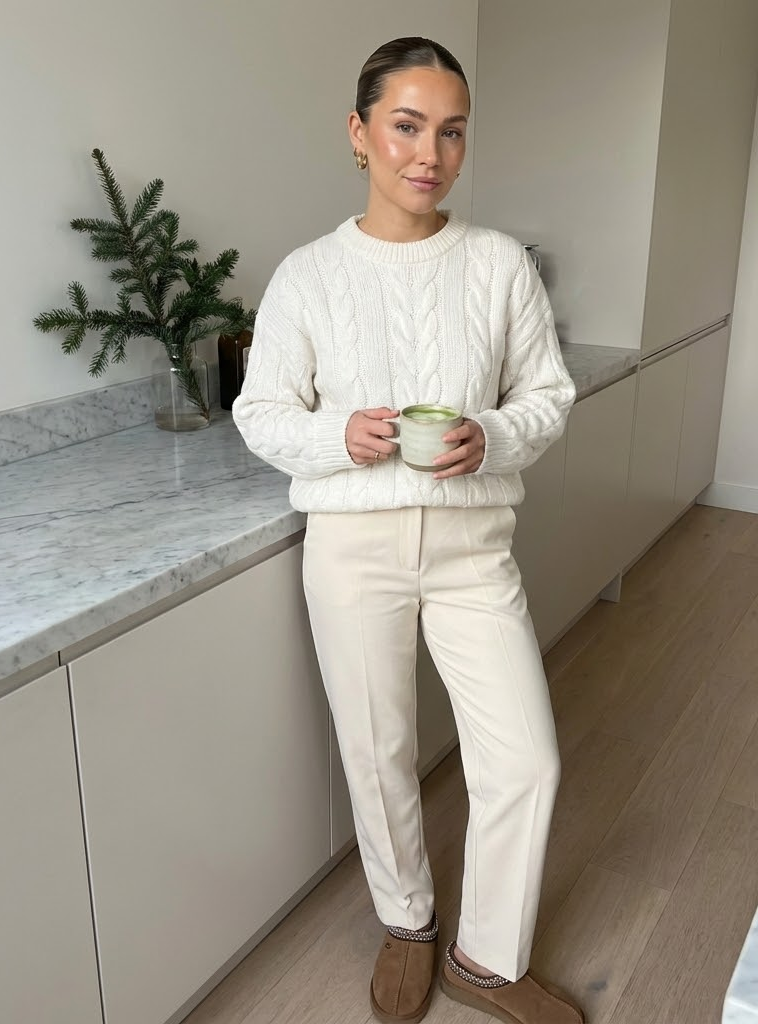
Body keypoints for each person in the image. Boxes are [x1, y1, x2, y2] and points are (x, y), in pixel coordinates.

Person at [232, 36, 583, 1024]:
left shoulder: (498, 263)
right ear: (359, 134)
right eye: (406, 124)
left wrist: (496, 433)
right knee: (377, 751)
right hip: (353, 551)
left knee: (526, 757)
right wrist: (339, 435)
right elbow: (260, 416)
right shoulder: (306, 276)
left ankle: (488, 954)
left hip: (475, 551)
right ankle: (407, 923)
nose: (429, 152)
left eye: (451, 130)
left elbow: (548, 395)